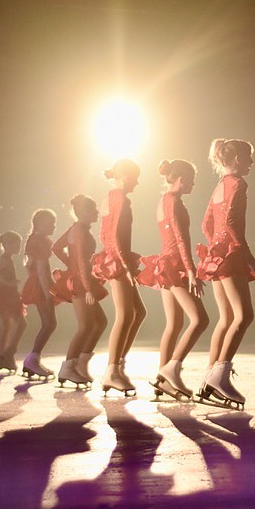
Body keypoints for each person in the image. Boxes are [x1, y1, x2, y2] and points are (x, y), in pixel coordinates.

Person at [196, 138, 255, 408]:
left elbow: (206, 223)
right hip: (232, 256)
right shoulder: (239, 184)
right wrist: (245, 253)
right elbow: (233, 222)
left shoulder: (219, 185)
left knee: (225, 319)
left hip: (217, 256)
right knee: (244, 315)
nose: (251, 161)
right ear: (235, 158)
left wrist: (216, 246)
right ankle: (219, 377)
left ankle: (208, 378)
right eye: (248, 156)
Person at [138, 159, 209, 401]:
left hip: (165, 264)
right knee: (200, 320)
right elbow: (180, 238)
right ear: (180, 178)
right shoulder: (174, 202)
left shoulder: (164, 200)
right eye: (191, 179)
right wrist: (191, 271)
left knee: (174, 324)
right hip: (174, 265)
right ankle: (171, 370)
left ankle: (162, 379)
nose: (193, 184)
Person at [93, 159, 146, 396]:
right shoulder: (120, 199)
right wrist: (124, 266)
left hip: (116, 257)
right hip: (117, 260)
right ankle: (112, 370)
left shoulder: (110, 196)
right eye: (135, 177)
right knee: (125, 315)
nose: (137, 182)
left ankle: (117, 366)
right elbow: (114, 235)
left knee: (138, 312)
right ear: (124, 175)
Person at [51, 195, 109, 389]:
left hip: (81, 278)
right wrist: (84, 282)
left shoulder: (76, 228)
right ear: (83, 211)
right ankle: (68, 367)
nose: (97, 212)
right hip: (81, 283)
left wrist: (71, 265)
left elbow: (57, 247)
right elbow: (82, 262)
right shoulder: (79, 230)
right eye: (93, 208)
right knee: (86, 326)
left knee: (100, 322)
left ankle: (80, 364)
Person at [20, 209, 58, 379]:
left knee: (49, 324)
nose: (54, 226)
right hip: (41, 285)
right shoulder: (40, 242)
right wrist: (48, 294)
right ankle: (32, 358)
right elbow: (42, 270)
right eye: (51, 222)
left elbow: (29, 267)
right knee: (49, 323)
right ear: (41, 223)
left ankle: (33, 359)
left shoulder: (33, 240)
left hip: (38, 283)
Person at [0, 231, 27, 374]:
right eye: (17, 245)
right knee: (21, 324)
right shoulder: (4, 259)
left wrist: (11, 282)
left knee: (8, 326)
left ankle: (4, 357)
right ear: (8, 245)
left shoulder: (8, 259)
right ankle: (8, 354)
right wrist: (9, 282)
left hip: (7, 294)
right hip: (6, 296)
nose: (19, 247)